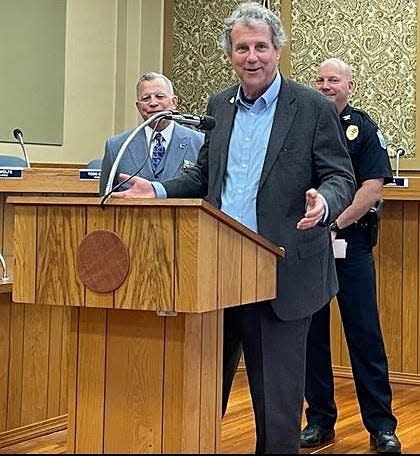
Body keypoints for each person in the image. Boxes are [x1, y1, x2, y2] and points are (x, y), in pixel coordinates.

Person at [111, 4, 355, 453]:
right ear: (230, 55)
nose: (252, 56)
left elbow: (341, 176)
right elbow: (205, 177)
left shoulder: (313, 107)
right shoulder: (217, 106)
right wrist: (159, 190)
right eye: (242, 48)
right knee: (202, 395)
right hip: (218, 272)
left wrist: (326, 201)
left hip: (284, 272)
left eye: (261, 46)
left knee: (276, 409)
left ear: (278, 51)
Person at [300, 58, 401, 454]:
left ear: (349, 87)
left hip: (349, 244)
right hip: (308, 245)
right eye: (320, 80)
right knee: (311, 336)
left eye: (334, 80)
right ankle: (319, 421)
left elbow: (372, 188)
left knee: (364, 334)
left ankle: (381, 426)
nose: (326, 86)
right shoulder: (303, 124)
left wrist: (333, 223)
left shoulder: (363, 128)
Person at [99, 71, 204, 195]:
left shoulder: (199, 142)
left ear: (174, 102)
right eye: (146, 98)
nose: (153, 103)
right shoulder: (116, 146)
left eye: (160, 96)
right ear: (138, 107)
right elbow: (106, 199)